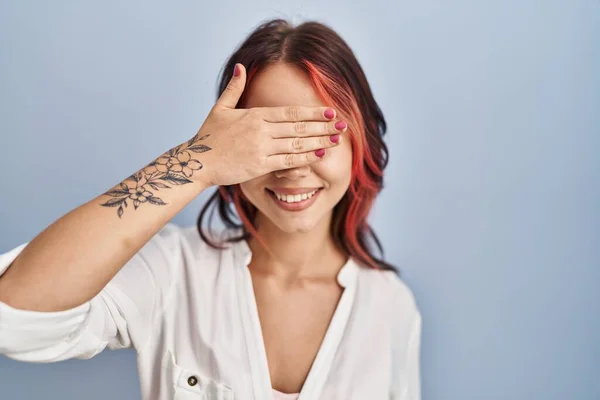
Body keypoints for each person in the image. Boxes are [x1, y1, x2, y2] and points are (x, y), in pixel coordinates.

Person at [0, 18, 421, 400]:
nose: (294, 168)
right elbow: (14, 317)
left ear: (358, 142)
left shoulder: (392, 309)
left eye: (317, 135)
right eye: (268, 137)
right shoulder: (171, 271)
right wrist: (196, 162)